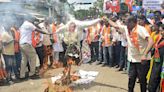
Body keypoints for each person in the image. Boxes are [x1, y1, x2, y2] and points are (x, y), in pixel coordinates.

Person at [107, 15, 151, 92]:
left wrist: (145, 54)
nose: (125, 24)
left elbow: (151, 41)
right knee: (131, 78)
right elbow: (115, 26)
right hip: (132, 59)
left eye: (126, 22)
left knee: (142, 80)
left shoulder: (141, 29)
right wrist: (107, 19)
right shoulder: (127, 28)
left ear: (132, 22)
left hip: (142, 60)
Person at [142, 22, 164, 92]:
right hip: (156, 63)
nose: (162, 33)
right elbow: (154, 48)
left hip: (162, 65)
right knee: (153, 80)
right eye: (161, 31)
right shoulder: (159, 39)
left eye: (163, 31)